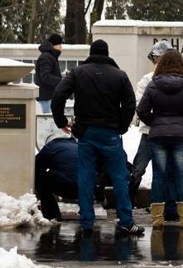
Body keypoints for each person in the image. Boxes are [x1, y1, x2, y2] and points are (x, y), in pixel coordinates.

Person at [51, 39, 144, 235]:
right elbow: (129, 104)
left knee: (85, 176)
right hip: (110, 133)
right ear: (107, 53)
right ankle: (126, 221)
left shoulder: (78, 73)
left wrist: (61, 122)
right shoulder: (119, 75)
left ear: (91, 53)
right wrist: (121, 126)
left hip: (86, 132)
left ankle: (86, 222)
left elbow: (58, 96)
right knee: (119, 177)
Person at [137, 50, 183, 229]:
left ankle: (157, 219)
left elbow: (141, 110)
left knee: (159, 175)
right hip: (181, 136)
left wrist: (155, 122)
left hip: (157, 136)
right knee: (180, 175)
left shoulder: (153, 85)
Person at [129, 40, 178, 220]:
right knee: (139, 168)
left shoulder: (180, 78)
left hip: (165, 132)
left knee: (164, 170)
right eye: (157, 58)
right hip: (150, 132)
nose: (159, 61)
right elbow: (140, 104)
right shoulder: (147, 79)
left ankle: (162, 205)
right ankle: (129, 199)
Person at [35, 131, 78, 220]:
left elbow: (36, 167)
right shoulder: (79, 146)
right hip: (88, 188)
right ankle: (86, 212)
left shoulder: (50, 147)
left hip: (64, 187)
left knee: (41, 178)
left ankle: (52, 214)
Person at [35, 34, 63, 114]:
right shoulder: (46, 57)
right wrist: (61, 81)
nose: (61, 47)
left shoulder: (50, 56)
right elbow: (45, 76)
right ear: (54, 45)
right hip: (46, 97)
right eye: (60, 44)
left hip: (49, 96)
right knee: (48, 123)